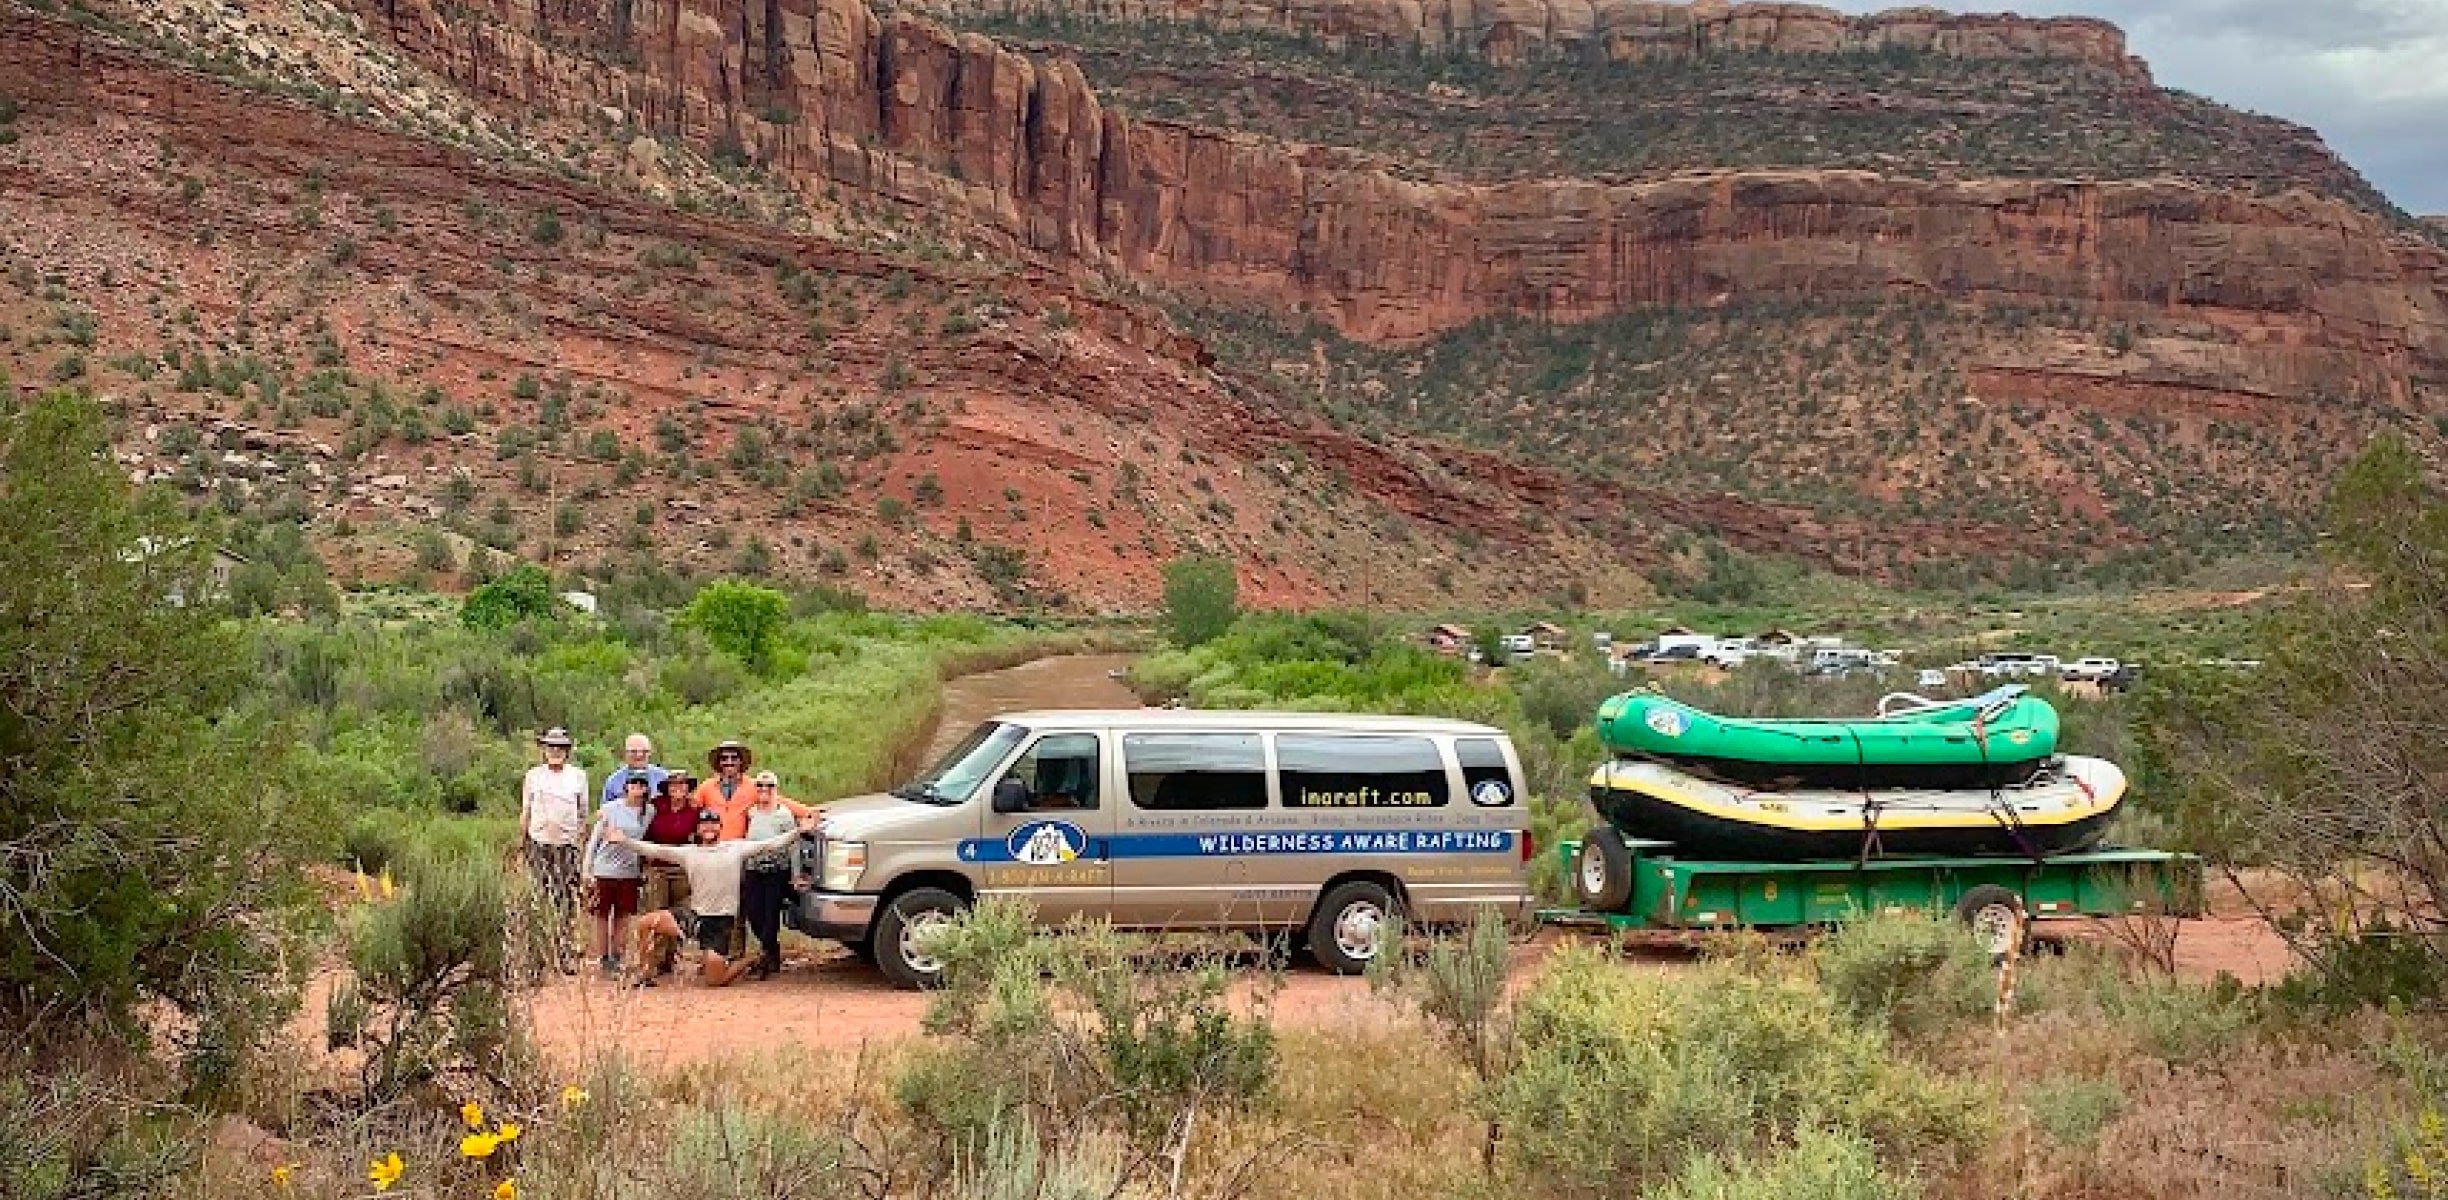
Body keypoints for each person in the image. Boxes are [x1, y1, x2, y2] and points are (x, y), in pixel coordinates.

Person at [609, 809, 812, 988]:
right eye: (704, 824)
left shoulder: (735, 848)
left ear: (720, 827)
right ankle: (645, 973)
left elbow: (771, 844)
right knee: (646, 923)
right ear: (698, 829)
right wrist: (624, 840)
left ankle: (755, 958)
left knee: (715, 981)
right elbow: (654, 849)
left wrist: (799, 831)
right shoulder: (689, 852)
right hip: (694, 915)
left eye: (713, 823)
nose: (709, 827)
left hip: (719, 922)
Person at [519, 726, 590, 970]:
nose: (556, 751)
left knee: (566, 899)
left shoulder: (578, 776)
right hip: (539, 842)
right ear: (544, 749)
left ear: (567, 751)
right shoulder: (533, 776)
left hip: (567, 845)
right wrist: (523, 842)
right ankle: (537, 953)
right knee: (540, 896)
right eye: (551, 747)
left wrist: (580, 844)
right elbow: (526, 810)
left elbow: (583, 814)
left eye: (560, 747)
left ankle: (565, 950)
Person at [738, 771, 809, 980]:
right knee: (754, 915)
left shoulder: (784, 814)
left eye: (768, 786)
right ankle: (770, 950)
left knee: (770, 916)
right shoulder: (750, 813)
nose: (764, 790)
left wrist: (795, 875)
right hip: (753, 870)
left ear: (776, 789)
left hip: (776, 871)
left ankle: (767, 958)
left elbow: (793, 845)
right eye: (759, 786)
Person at [580, 771, 651, 976]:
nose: (638, 787)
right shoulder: (610, 809)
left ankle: (617, 956)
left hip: (629, 871)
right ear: (626, 786)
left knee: (623, 914)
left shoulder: (648, 812)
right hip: (604, 870)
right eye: (633, 783)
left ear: (646, 788)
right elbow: (594, 841)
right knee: (601, 915)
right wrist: (587, 869)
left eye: (642, 784)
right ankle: (603, 957)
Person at [599, 732, 668, 809]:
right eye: (633, 751)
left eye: (644, 751)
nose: (639, 755)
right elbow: (605, 812)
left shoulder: (663, 777)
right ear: (625, 753)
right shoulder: (614, 781)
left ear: (650, 753)